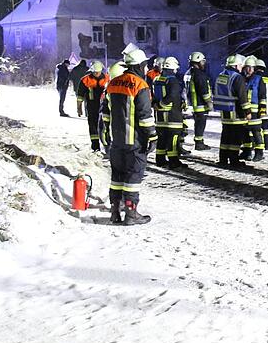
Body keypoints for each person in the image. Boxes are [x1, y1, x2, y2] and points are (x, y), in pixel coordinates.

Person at [101, 49, 155, 225]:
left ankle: (115, 211)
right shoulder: (140, 85)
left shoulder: (113, 83)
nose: (146, 68)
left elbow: (105, 114)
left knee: (117, 176)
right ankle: (131, 214)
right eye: (145, 65)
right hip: (135, 141)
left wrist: (104, 135)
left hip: (116, 141)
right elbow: (145, 116)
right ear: (140, 65)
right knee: (133, 176)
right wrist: (152, 136)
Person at [214, 54, 250, 168]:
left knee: (226, 136)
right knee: (235, 138)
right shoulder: (237, 77)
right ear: (235, 65)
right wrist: (247, 112)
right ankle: (234, 161)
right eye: (240, 65)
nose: (241, 67)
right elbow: (242, 96)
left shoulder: (221, 76)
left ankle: (223, 159)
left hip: (224, 112)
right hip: (235, 112)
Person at [152, 56, 187, 168]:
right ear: (173, 68)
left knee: (162, 138)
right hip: (173, 116)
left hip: (160, 116)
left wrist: (157, 105)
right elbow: (173, 95)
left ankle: (160, 160)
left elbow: (155, 96)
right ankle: (174, 161)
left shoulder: (157, 79)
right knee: (173, 138)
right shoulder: (173, 80)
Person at [78, 61, 109, 151]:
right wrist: (79, 108)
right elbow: (80, 95)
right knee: (93, 125)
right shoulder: (85, 80)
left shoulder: (107, 78)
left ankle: (107, 144)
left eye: (98, 72)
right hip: (91, 107)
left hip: (104, 107)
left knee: (105, 126)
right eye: (95, 72)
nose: (97, 74)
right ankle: (95, 145)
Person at [186, 51, 213, 150]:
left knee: (198, 124)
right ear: (197, 62)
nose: (204, 63)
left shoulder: (189, 73)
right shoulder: (199, 75)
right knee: (200, 124)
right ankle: (199, 143)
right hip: (200, 104)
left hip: (193, 104)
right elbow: (203, 90)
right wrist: (209, 102)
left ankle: (199, 142)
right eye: (202, 61)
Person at [240, 56, 264, 162]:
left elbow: (262, 96)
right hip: (244, 111)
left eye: (251, 68)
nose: (249, 70)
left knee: (256, 132)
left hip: (255, 112)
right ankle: (247, 152)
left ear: (254, 69)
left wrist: (262, 110)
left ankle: (259, 153)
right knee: (244, 132)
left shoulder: (258, 79)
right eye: (247, 67)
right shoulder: (241, 79)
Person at [256, 59, 268, 149]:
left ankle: (258, 144)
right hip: (267, 106)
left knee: (257, 126)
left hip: (259, 105)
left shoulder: (256, 78)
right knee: (266, 127)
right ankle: (267, 144)